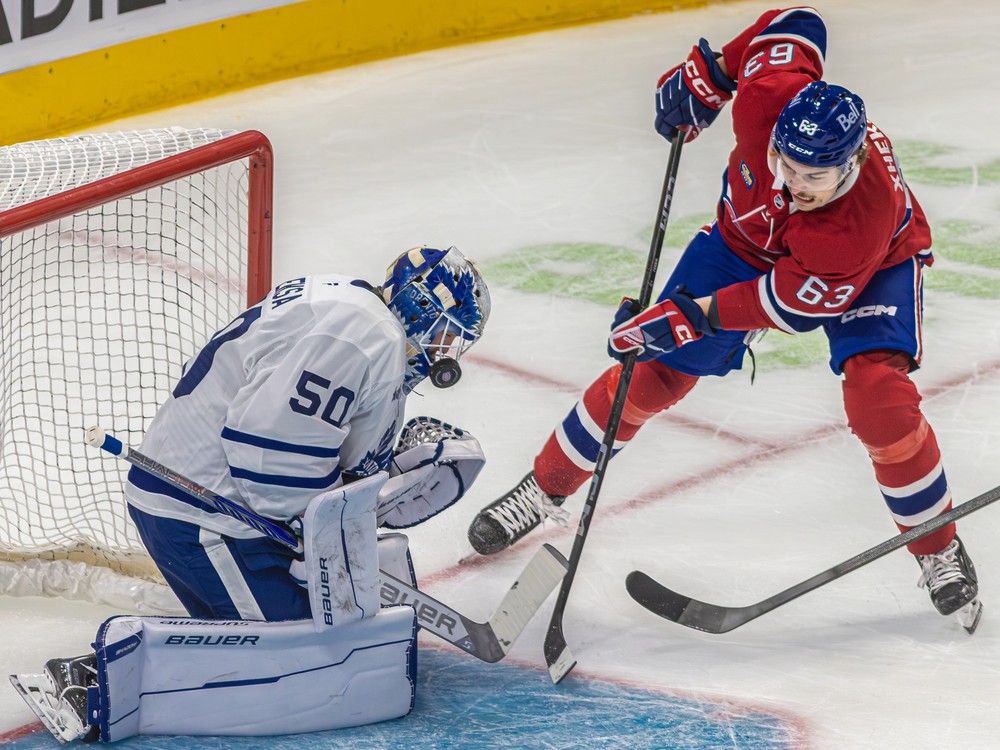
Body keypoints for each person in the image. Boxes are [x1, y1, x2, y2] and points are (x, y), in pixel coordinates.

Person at [467, 6, 982, 634]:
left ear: (848, 168)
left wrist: (687, 316)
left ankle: (937, 547)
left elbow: (779, 304)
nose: (790, 184)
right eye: (783, 164)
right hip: (745, 245)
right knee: (648, 374)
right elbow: (797, 22)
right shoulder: (771, 97)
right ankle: (546, 487)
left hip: (875, 268)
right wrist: (709, 75)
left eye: (812, 176)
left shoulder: (854, 227)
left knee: (878, 401)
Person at [13, 246, 492, 742]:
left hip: (223, 506)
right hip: (204, 516)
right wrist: (322, 531)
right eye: (450, 333)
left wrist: (381, 479)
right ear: (422, 306)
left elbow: (320, 447)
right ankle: (89, 682)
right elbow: (267, 452)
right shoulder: (362, 334)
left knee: (349, 636)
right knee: (310, 665)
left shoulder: (360, 315)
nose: (448, 351)